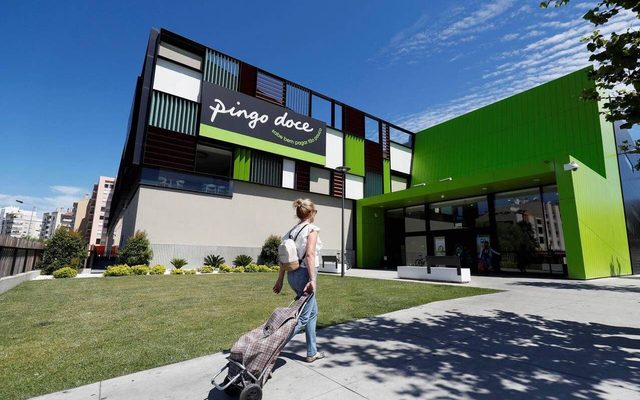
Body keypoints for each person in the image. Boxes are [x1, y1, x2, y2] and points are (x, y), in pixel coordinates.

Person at [273, 198, 325, 363]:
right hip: (305, 275)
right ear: (310, 213)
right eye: (315, 211)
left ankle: (312, 352)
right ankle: (273, 349)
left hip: (292, 275)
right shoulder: (311, 229)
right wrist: (313, 280)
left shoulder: (290, 232)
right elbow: (310, 254)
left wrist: (280, 280)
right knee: (302, 317)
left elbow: (284, 259)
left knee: (312, 313)